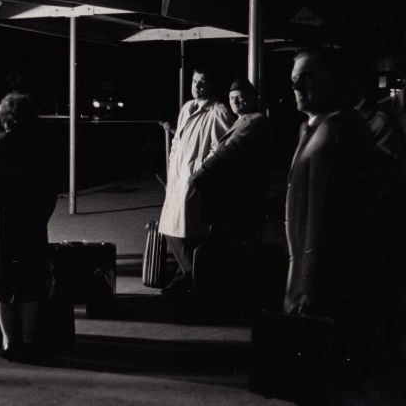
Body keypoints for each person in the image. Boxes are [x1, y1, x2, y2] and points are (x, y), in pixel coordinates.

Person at [284, 49, 390, 401]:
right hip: (313, 279)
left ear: (334, 81)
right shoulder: (317, 127)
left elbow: (325, 219)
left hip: (323, 285)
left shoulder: (336, 130)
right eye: (294, 78)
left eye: (308, 77)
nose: (296, 85)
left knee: (325, 380)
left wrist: (308, 289)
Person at [0, 93, 57, 362]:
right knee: (30, 281)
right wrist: (40, 215)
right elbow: (50, 189)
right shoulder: (39, 149)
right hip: (31, 221)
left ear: (4, 120)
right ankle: (28, 339)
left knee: (0, 282)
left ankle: (9, 341)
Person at [158, 68, 234, 295]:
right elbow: (178, 140)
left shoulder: (219, 111)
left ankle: (191, 278)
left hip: (195, 179)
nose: (196, 87)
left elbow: (222, 148)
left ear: (212, 86)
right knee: (171, 228)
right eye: (194, 81)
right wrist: (172, 167)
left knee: (185, 230)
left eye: (202, 83)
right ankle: (189, 277)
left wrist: (198, 172)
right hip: (179, 177)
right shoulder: (188, 107)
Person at [189, 78, 271, 245]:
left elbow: (230, 148)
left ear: (251, 98)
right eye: (231, 97)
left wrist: (202, 171)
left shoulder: (255, 120)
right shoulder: (241, 120)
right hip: (237, 194)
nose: (234, 101)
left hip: (243, 195)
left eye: (239, 97)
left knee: (238, 241)